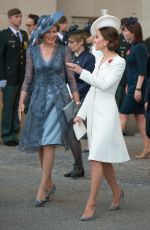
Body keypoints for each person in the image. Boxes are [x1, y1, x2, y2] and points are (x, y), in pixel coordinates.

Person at [66, 14, 130, 221]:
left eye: (98, 37)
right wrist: (81, 114)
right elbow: (93, 90)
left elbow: (103, 86)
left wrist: (81, 71)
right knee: (104, 160)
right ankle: (117, 191)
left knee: (95, 159)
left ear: (108, 41)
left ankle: (91, 204)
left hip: (106, 115)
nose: (94, 40)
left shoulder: (119, 62)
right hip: (93, 114)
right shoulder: (100, 59)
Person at [18, 12, 83, 207]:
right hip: (38, 100)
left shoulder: (64, 51)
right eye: (49, 31)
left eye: (55, 31)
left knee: (49, 143)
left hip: (58, 100)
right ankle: (49, 183)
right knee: (40, 143)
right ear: (42, 31)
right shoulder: (32, 52)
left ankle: (42, 187)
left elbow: (71, 79)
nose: (53, 34)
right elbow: (28, 79)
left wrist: (77, 103)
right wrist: (21, 101)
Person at [64, 30, 95, 177]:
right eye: (68, 42)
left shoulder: (89, 58)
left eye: (72, 42)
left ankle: (79, 167)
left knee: (74, 131)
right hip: (73, 97)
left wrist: (74, 93)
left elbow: (88, 81)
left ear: (80, 42)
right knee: (72, 132)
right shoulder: (72, 56)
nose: (69, 44)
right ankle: (78, 166)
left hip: (83, 97)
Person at [119, 17, 150, 159]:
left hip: (137, 88)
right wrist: (126, 84)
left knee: (123, 114)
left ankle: (113, 146)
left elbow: (142, 71)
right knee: (140, 117)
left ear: (133, 32)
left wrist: (137, 89)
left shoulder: (140, 48)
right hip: (131, 86)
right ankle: (147, 147)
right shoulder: (133, 47)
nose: (123, 33)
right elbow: (131, 69)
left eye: (125, 31)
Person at [0, 8, 28, 146]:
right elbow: (0, 57)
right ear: (10, 18)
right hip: (9, 78)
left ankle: (15, 133)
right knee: (8, 107)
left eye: (20, 16)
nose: (19, 18)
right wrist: (2, 78)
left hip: (22, 77)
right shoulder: (4, 35)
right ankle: (6, 135)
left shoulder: (23, 34)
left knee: (18, 106)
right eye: (16, 16)